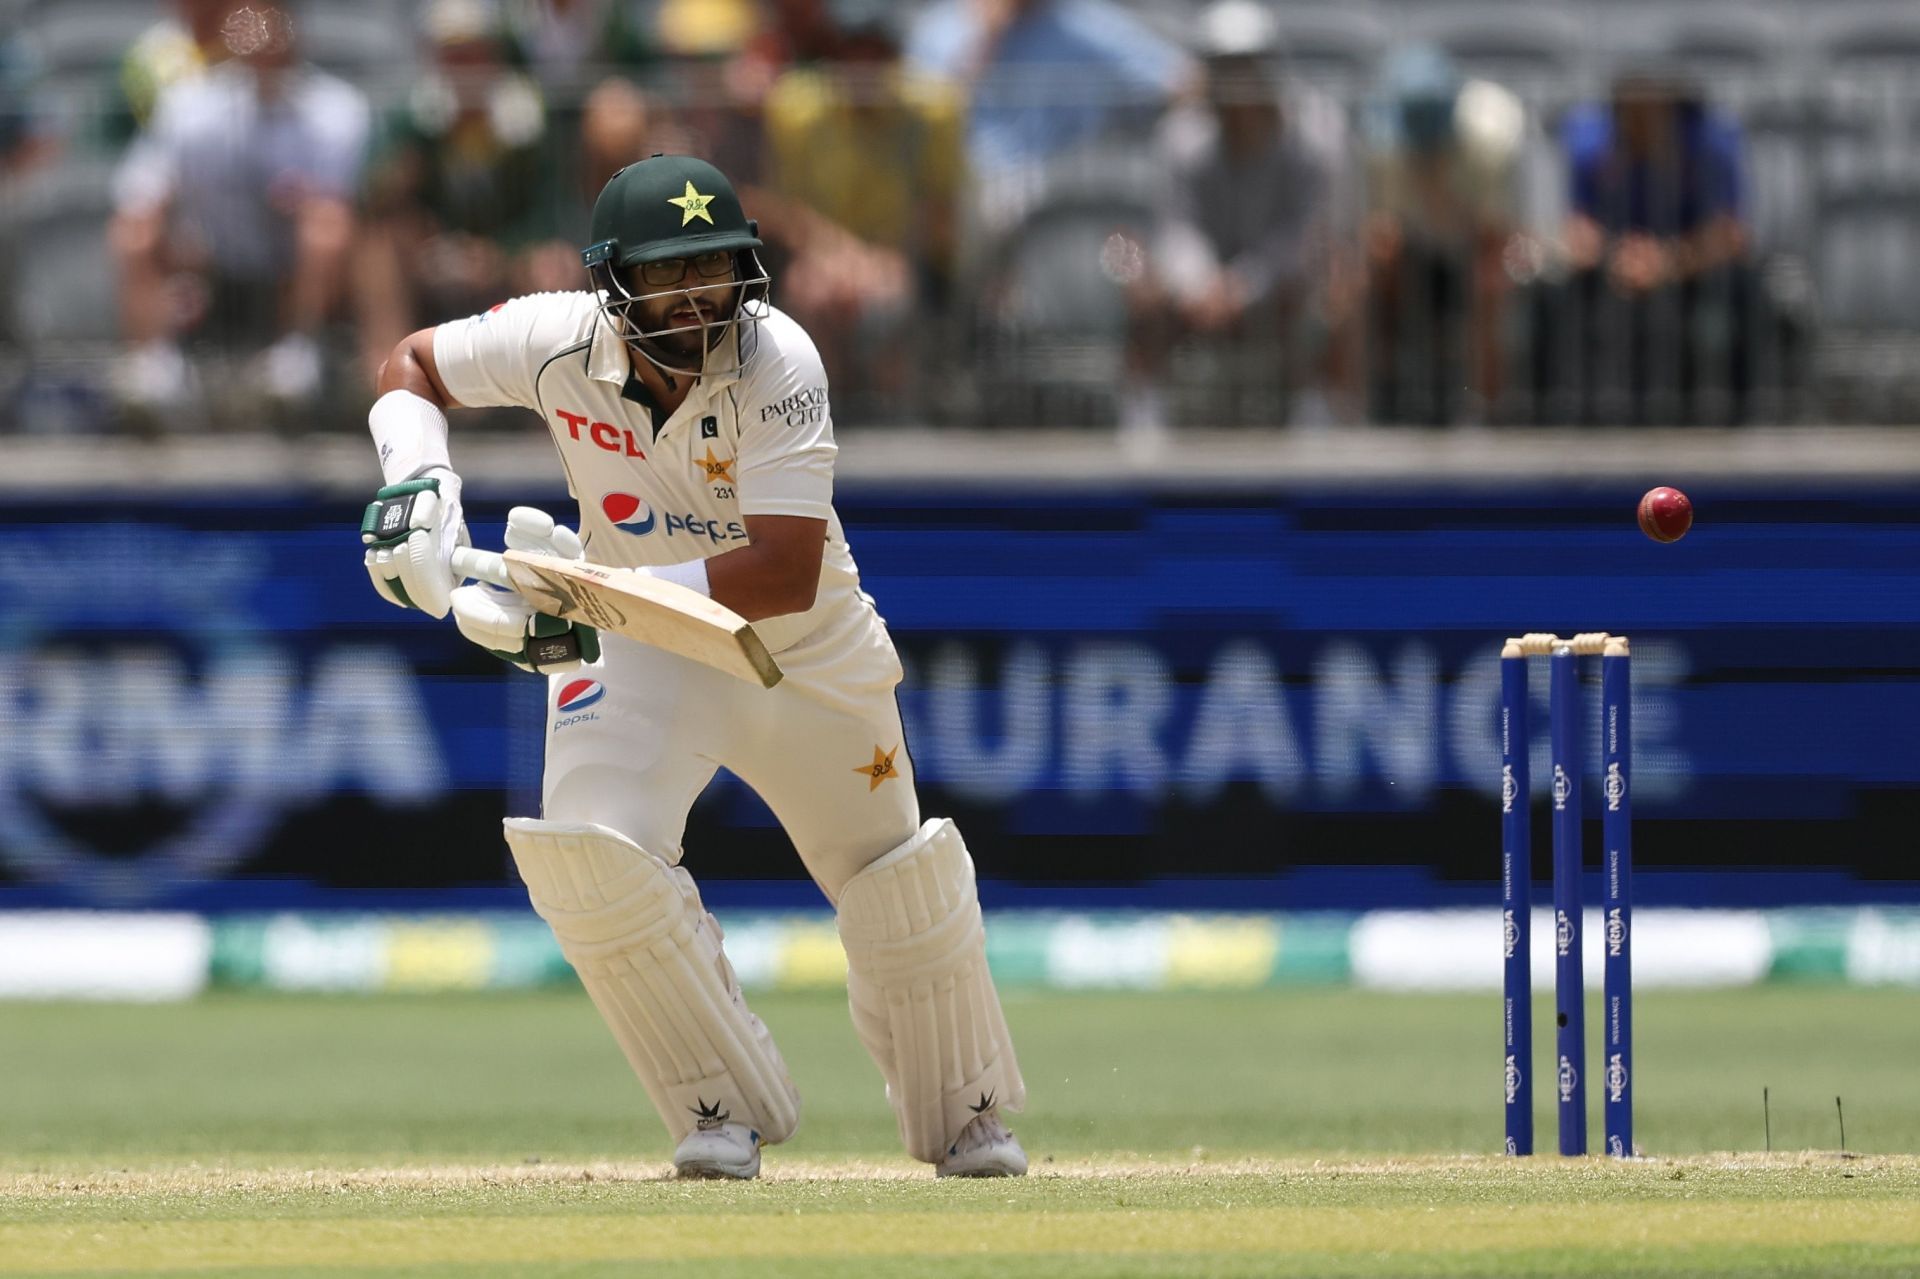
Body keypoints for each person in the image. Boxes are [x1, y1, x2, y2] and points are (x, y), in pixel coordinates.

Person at [356, 154, 1027, 1180]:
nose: (697, 293)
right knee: (589, 855)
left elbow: (782, 571)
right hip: (638, 644)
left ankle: (966, 1113)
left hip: (801, 650)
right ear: (611, 280)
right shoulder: (553, 338)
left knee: (893, 881)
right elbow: (412, 363)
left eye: (714, 264)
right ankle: (719, 1104)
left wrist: (574, 594)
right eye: (669, 272)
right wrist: (421, 482)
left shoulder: (778, 359)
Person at [108, 1, 369, 421]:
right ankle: (155, 367)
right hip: (208, 260)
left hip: (292, 266)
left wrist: (297, 203)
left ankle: (297, 357)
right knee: (133, 231)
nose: (262, 35)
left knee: (328, 229)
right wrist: (173, 224)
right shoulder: (187, 104)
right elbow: (140, 190)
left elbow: (342, 202)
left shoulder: (338, 108)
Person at [1119, 0, 1356, 445]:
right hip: (1205, 287)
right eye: (1223, 66)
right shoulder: (1179, 137)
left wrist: (1243, 285)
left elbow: (1308, 235)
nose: (1235, 79)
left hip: (1282, 280)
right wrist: (1202, 284)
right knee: (1138, 277)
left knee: (1335, 281)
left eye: (1245, 64)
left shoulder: (1318, 134)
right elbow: (1176, 227)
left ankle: (1317, 408)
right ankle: (1145, 409)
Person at [1555, 70, 1753, 425]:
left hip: (1692, 272)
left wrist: (1668, 261)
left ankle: (1726, 422)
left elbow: (1731, 235)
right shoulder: (1590, 139)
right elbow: (1579, 228)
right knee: (1562, 292)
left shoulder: (1711, 140)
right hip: (1614, 270)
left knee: (1741, 291)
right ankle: (1580, 420)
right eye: (1631, 107)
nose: (1640, 117)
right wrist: (1615, 257)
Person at [1361, 46, 1529, 425]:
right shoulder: (1382, 142)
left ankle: (1488, 414)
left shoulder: (1492, 134)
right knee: (1364, 279)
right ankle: (1382, 411)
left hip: (1479, 248)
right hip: (1416, 251)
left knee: (1489, 286)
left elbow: (1494, 237)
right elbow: (1383, 228)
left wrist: (1443, 193)